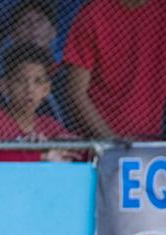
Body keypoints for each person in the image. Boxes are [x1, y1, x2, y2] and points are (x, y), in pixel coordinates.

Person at [62, 0, 166, 139]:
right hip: (98, 143)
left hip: (151, 144)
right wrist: (113, 143)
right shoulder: (94, 13)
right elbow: (75, 92)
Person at [0, 44, 79, 163]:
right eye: (20, 80)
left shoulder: (48, 125)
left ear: (46, 89)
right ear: (4, 86)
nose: (29, 89)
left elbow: (80, 152)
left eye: (38, 81)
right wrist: (41, 156)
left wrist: (63, 145)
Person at [0, 0, 65, 124]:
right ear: (13, 35)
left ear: (53, 33)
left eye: (40, 21)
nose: (33, 27)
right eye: (25, 22)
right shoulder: (1, 73)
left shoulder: (63, 73)